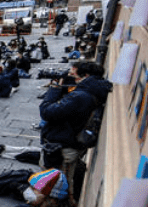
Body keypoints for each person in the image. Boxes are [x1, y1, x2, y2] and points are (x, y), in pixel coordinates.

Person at [38, 61, 112, 191]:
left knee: (58, 185)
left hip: (64, 146)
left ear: (86, 75)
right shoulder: (92, 90)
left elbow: (47, 112)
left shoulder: (80, 96)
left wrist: (54, 90)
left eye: (73, 74)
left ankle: (59, 205)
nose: (71, 76)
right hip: (70, 141)